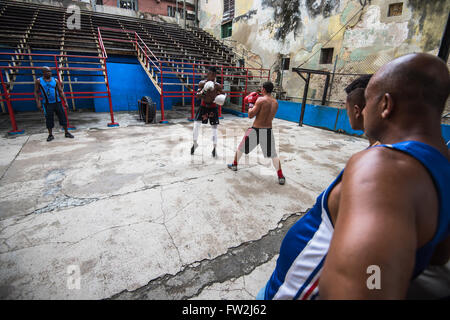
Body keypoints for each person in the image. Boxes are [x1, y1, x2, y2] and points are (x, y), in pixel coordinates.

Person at [259, 53, 449, 300]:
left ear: (385, 105)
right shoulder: (441, 165)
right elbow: (437, 254)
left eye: (368, 101)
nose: (362, 109)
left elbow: (368, 287)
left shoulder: (383, 168)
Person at [227, 81, 286, 185]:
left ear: (263, 89)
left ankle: (234, 165)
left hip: (256, 129)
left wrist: (250, 104)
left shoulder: (261, 100)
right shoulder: (275, 103)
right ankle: (280, 176)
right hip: (268, 130)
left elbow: (250, 115)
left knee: (241, 148)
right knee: (273, 154)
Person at [191, 66, 224, 158]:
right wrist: (204, 90)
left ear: (215, 75)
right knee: (196, 126)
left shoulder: (217, 85)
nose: (211, 76)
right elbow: (197, 96)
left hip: (213, 108)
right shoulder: (202, 83)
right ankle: (194, 143)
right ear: (207, 74)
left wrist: (220, 98)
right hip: (203, 107)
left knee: (214, 129)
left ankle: (214, 148)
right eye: (210, 74)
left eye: (213, 75)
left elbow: (223, 95)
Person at [34, 67, 74, 142]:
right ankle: (50, 135)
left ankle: (66, 132)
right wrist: (38, 103)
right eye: (47, 72)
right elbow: (36, 92)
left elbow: (60, 91)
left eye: (50, 71)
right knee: (49, 119)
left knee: (63, 117)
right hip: (47, 104)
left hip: (57, 102)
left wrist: (65, 101)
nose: (49, 73)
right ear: (43, 73)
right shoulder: (39, 81)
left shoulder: (55, 80)